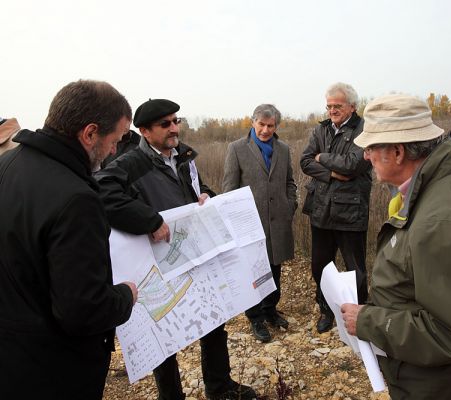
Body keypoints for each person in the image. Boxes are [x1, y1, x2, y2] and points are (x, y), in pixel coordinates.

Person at [340, 94, 451, 399]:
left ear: (397, 152)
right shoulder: (440, 183)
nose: (365, 157)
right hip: (442, 381)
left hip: (448, 388)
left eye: (370, 148)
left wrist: (369, 321)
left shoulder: (443, 222)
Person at [95, 99, 257, 400]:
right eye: (165, 124)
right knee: (166, 334)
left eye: (175, 121)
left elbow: (196, 186)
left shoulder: (183, 156)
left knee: (214, 316)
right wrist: (149, 220)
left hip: (197, 250)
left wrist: (206, 192)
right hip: (161, 259)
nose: (174, 128)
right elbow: (101, 191)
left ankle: (219, 386)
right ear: (144, 131)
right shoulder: (132, 163)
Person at [0, 80, 138, 400]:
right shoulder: (76, 199)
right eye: (115, 140)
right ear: (89, 134)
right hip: (52, 372)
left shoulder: (7, 166)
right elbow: (81, 311)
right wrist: (124, 297)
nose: (115, 150)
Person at [300, 82, 372, 333]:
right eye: (329, 106)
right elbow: (305, 161)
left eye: (337, 106)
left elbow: (354, 165)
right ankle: (325, 309)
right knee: (320, 266)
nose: (332, 110)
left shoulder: (365, 129)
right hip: (321, 209)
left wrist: (322, 157)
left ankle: (361, 315)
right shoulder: (321, 129)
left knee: (355, 269)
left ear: (352, 106)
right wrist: (331, 172)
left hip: (350, 211)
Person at [222, 104, 296, 343]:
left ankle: (270, 309)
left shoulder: (283, 149)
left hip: (278, 222)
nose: (265, 130)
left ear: (276, 126)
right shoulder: (236, 149)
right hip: (248, 225)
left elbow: (289, 182)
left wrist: (289, 205)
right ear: (252, 122)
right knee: (252, 271)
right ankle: (255, 317)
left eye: (270, 126)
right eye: (261, 124)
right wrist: (234, 222)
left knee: (275, 268)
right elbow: (229, 190)